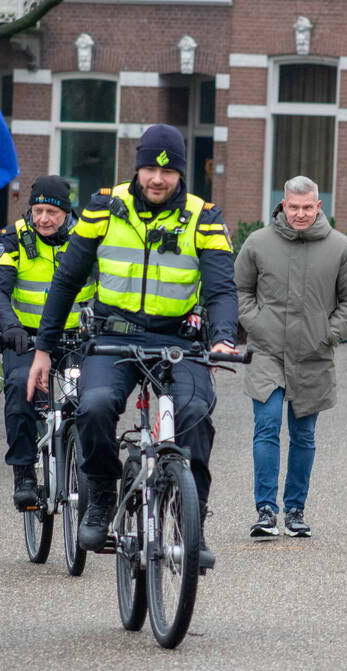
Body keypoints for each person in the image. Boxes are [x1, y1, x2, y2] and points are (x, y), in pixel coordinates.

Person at [26, 124, 240, 569]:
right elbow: (67, 279)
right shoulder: (105, 208)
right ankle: (102, 495)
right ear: (138, 167)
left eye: (167, 172)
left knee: (195, 414)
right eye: (149, 169)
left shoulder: (206, 218)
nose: (157, 180)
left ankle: (190, 520)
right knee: (96, 405)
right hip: (113, 338)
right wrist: (44, 349)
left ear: (181, 174)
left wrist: (221, 338)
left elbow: (221, 288)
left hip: (179, 340)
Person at [234, 176, 347, 538]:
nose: (300, 214)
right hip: (267, 351)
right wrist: (256, 324)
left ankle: (295, 510)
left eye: (308, 207)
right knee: (267, 424)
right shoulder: (258, 243)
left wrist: (329, 333)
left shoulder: (340, 247)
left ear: (318, 206)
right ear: (282, 204)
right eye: (294, 207)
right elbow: (241, 289)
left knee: (304, 434)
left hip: (313, 353)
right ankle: (265, 510)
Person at [0, 175, 95, 509]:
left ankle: (93, 471)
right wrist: (10, 326)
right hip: (27, 341)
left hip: (77, 338)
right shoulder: (10, 239)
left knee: (95, 397)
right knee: (21, 389)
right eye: (38, 210)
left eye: (52, 212)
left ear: (67, 212)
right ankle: (25, 475)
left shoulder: (87, 239)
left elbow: (110, 283)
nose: (43, 218)